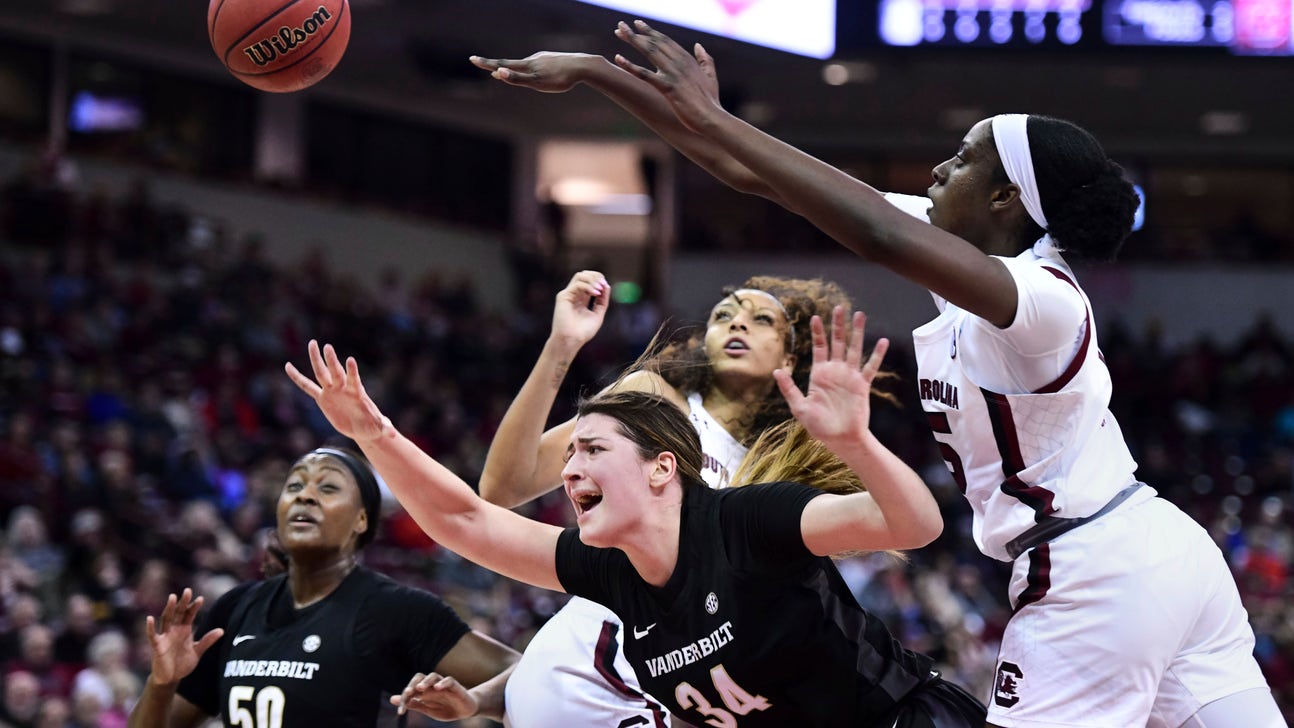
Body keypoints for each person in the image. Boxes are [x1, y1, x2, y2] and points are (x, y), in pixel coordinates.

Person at [472, 21, 1284, 728]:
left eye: (963, 159)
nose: (939, 167)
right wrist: (600, 74)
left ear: (1006, 198)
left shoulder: (1045, 299)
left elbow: (875, 234)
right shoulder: (978, 264)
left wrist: (712, 113)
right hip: (1161, 551)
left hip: (1093, 567)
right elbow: (755, 175)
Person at [284, 309, 987, 727]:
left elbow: (915, 526)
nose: (568, 469)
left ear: (660, 468)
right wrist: (374, 433)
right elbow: (468, 519)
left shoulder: (747, 522)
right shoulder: (611, 576)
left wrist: (856, 443)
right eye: (572, 452)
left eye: (591, 449)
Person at [477, 269, 859, 726]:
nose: (737, 324)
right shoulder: (657, 401)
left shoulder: (783, 469)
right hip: (586, 659)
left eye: (760, 320)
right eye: (724, 315)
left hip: (677, 694)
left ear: (791, 355)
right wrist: (562, 345)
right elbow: (504, 487)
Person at [125, 445, 519, 728]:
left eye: (327, 488)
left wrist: (475, 704)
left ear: (362, 520)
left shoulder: (397, 611)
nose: (305, 496)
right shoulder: (235, 609)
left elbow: (526, 673)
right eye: (294, 487)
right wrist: (162, 682)